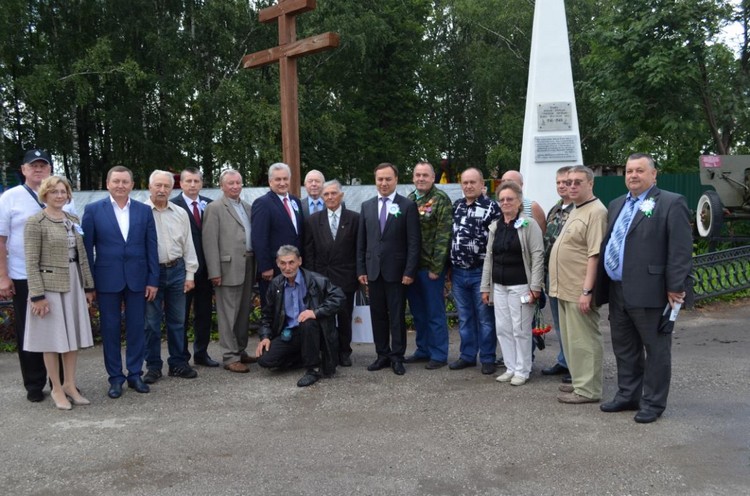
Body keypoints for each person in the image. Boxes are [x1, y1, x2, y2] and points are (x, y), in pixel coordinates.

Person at [595, 153, 692, 423]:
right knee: (625, 348)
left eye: (639, 170)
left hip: (653, 291)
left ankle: (653, 403)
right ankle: (628, 395)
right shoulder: (616, 204)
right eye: (629, 171)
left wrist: (675, 287)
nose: (633, 175)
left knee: (656, 350)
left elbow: (681, 250)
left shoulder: (671, 203)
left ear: (654, 174)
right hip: (618, 290)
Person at [0, 149, 77, 402]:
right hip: (24, 274)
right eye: (33, 165)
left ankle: (65, 383)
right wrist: (3, 276)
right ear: (23, 169)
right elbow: (1, 240)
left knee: (62, 328)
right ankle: (34, 384)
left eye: (43, 165)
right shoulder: (9, 198)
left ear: (50, 169)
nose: (38, 169)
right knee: (30, 332)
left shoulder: (64, 196)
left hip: (61, 275)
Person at [82, 165, 159, 399]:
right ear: (107, 184)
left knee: (137, 328)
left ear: (132, 185)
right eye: (116, 181)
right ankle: (115, 378)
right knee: (110, 330)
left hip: (137, 279)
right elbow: (86, 251)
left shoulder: (144, 211)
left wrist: (152, 280)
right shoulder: (94, 210)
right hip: (107, 280)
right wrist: (89, 285)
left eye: (125, 181)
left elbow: (151, 247)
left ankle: (135, 374)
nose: (120, 185)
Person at [23, 176, 94, 410]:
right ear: (45, 194)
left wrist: (88, 286)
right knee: (52, 341)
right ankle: (55, 388)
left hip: (74, 282)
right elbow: (31, 262)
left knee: (72, 338)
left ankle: (70, 385)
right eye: (54, 192)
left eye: (63, 191)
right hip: (50, 287)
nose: (60, 196)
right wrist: (37, 295)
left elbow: (82, 256)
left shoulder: (72, 219)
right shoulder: (36, 222)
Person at [548, 166, 607, 403]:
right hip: (563, 288)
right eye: (569, 182)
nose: (571, 186)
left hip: (578, 289)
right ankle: (579, 381)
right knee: (571, 340)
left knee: (584, 340)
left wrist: (587, 291)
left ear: (590, 184)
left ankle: (589, 390)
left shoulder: (596, 212)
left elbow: (594, 255)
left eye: (577, 182)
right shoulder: (576, 209)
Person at [357, 162, 421, 375]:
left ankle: (397, 356)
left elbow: (414, 242)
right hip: (373, 271)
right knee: (378, 316)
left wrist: (409, 271)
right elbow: (362, 242)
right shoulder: (366, 206)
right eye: (380, 179)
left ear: (396, 180)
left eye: (388, 179)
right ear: (375, 181)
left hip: (397, 273)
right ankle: (382, 354)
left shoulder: (407, 205)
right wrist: (361, 269)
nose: (383, 183)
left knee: (396, 316)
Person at [480, 181, 544, 386]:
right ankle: (510, 367)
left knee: (520, 329)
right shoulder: (495, 226)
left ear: (519, 202)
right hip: (499, 286)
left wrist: (535, 286)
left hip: (521, 286)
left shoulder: (529, 224)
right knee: (503, 328)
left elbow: (537, 256)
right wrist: (485, 287)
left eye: (510, 199)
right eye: (502, 199)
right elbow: (489, 258)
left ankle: (523, 370)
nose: (506, 202)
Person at [256, 245, 345, 387]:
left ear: (300, 261)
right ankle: (304, 357)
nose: (287, 267)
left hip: (313, 331)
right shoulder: (275, 285)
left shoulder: (317, 280)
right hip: (290, 334)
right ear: (278, 263)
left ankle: (313, 369)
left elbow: (339, 298)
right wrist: (265, 336)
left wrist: (315, 312)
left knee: (307, 321)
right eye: (283, 263)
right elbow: (266, 315)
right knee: (265, 360)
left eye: (291, 262)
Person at [143, 170, 199, 384]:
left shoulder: (180, 213)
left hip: (177, 270)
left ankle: (177, 363)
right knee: (151, 323)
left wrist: (190, 274)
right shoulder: (141, 212)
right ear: (150, 187)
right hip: (152, 274)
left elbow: (188, 245)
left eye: (166, 186)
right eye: (158, 185)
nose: (162, 190)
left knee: (178, 321)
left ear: (172, 188)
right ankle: (153, 366)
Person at [202, 169, 256, 373]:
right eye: (230, 183)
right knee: (228, 315)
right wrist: (214, 272)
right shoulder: (214, 208)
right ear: (222, 186)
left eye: (238, 183)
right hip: (226, 268)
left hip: (249, 264)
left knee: (243, 313)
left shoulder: (247, 207)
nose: (235, 186)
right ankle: (229, 356)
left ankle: (240, 350)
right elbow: (209, 242)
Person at [449, 168, 501, 375]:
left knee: (485, 318)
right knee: (464, 317)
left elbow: (496, 242)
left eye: (473, 182)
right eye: (465, 182)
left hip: (480, 272)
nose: (468, 186)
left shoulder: (491, 208)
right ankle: (467, 356)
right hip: (458, 272)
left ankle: (488, 357)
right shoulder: (457, 206)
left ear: (482, 185)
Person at [303, 180, 359, 366]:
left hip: (346, 276)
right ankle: (326, 351)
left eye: (333, 193)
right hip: (321, 277)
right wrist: (311, 277)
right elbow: (308, 252)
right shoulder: (312, 220)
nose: (330, 197)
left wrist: (359, 274)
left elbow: (359, 250)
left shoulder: (355, 219)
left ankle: (344, 351)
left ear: (341, 195)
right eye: (326, 194)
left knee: (345, 317)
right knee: (323, 316)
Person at [404, 161, 452, 370]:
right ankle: (423, 350)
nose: (421, 178)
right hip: (412, 268)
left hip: (430, 268)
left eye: (425, 175)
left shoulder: (441, 200)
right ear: (413, 178)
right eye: (418, 175)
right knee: (418, 313)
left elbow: (444, 236)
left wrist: (436, 268)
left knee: (434, 313)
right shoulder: (409, 199)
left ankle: (439, 354)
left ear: (433, 178)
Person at [171, 167, 219, 367]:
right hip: (182, 272)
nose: (192, 185)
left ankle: (201, 353)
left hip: (206, 271)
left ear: (201, 183)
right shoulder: (173, 206)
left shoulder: (210, 205)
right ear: (180, 184)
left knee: (204, 314)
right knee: (180, 316)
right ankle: (181, 356)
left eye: (196, 181)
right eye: (188, 181)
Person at [251, 162, 304, 309]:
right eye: (278, 179)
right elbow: (259, 238)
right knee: (274, 309)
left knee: (294, 306)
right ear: (270, 181)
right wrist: (265, 267)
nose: (282, 183)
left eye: (285, 179)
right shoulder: (262, 203)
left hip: (294, 267)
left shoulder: (295, 202)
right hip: (274, 269)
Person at [541, 166, 574, 380]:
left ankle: (576, 366)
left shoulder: (581, 209)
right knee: (560, 323)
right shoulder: (555, 209)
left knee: (574, 325)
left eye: (566, 182)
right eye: (559, 182)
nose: (562, 186)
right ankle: (564, 360)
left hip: (571, 277)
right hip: (552, 276)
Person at [501, 170, 547, 236]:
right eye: (503, 182)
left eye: (510, 181)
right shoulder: (498, 206)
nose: (505, 185)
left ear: (521, 185)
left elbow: (542, 235)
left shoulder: (532, 207)